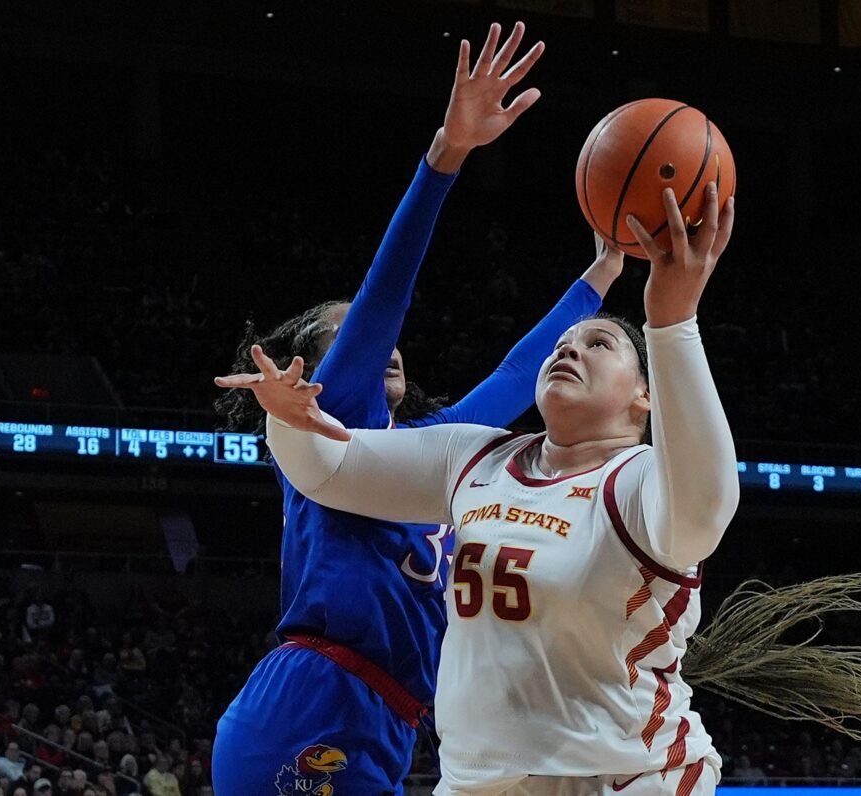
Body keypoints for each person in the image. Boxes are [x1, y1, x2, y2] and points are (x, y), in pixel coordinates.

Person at [211, 20, 624, 795]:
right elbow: (384, 293)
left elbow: (514, 375)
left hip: (387, 716)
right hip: (315, 701)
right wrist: (447, 156)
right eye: (355, 341)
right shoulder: (342, 421)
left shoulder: (433, 451)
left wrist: (601, 272)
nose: (386, 346)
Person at [220, 182, 738, 793]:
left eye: (596, 343)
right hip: (372, 722)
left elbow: (520, 376)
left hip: (600, 769)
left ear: (644, 397)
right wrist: (286, 420)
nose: (567, 350)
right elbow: (330, 446)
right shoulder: (455, 451)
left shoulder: (627, 476)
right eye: (564, 346)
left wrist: (649, 308)